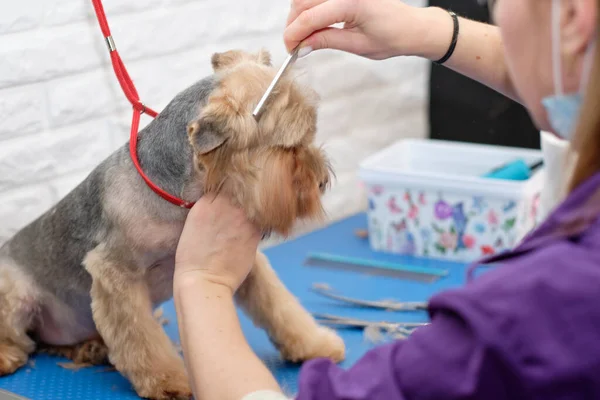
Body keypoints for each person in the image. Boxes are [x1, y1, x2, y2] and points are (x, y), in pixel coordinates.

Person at [173, 0, 600, 398]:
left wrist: (200, 280)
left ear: (574, 18)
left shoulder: (549, 300)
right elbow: (559, 69)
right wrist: (426, 31)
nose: (496, 13)